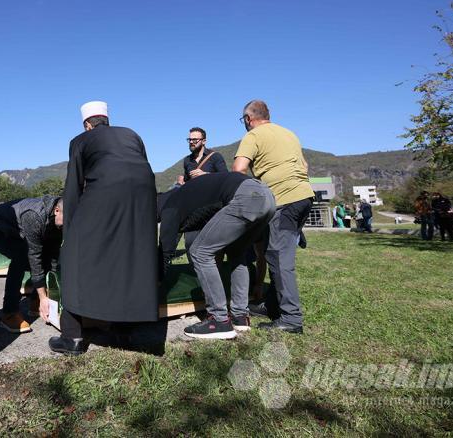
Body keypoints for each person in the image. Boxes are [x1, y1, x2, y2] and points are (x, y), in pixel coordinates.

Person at [50, 101, 158, 355]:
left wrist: (70, 232)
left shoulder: (81, 140)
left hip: (106, 191)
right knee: (126, 256)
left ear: (87, 124)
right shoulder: (132, 134)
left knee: (74, 258)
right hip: (143, 196)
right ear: (106, 120)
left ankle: (73, 337)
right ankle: (124, 330)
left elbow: (74, 186)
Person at [158, 172, 275, 339]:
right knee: (237, 252)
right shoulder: (186, 197)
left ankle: (218, 320)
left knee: (199, 252)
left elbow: (165, 251)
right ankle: (240, 316)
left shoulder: (168, 206)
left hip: (247, 196)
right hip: (266, 195)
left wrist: (157, 280)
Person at [232, 100, 313, 334]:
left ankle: (291, 319)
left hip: (284, 201)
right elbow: (304, 165)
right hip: (303, 196)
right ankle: (272, 305)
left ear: (248, 119)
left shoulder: (254, 135)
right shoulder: (288, 134)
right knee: (273, 251)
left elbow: (238, 169)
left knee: (279, 258)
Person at [0, 196, 63, 333]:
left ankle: (35, 303)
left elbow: (53, 256)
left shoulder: (59, 219)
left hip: (19, 229)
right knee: (21, 257)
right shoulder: (34, 215)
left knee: (48, 257)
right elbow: (34, 257)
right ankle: (9, 313)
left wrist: (52, 294)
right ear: (56, 210)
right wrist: (44, 297)